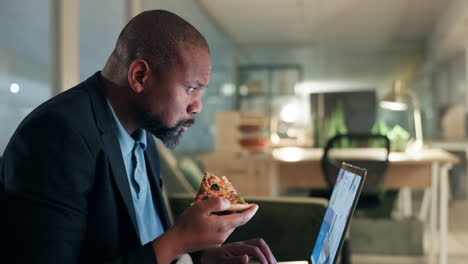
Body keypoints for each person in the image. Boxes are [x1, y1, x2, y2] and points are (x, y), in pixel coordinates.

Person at [0, 10, 276, 264]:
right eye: (192, 88)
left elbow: (143, 241)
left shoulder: (143, 134)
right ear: (140, 76)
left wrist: (202, 256)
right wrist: (178, 240)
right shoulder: (56, 135)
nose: (198, 106)